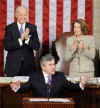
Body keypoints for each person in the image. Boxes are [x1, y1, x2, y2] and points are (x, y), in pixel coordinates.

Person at [10, 54, 88, 98]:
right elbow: (25, 87)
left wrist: (82, 83)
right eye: (50, 65)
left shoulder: (60, 76)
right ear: (43, 66)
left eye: (54, 64)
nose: (53, 67)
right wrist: (17, 87)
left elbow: (72, 86)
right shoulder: (34, 76)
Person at [3, 6, 40, 77]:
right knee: (12, 88)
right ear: (16, 15)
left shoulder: (32, 28)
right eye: (20, 15)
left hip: (29, 67)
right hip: (13, 66)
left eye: (25, 15)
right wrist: (20, 40)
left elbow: (37, 46)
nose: (23, 17)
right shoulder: (10, 28)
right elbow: (7, 46)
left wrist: (27, 39)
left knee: (28, 88)